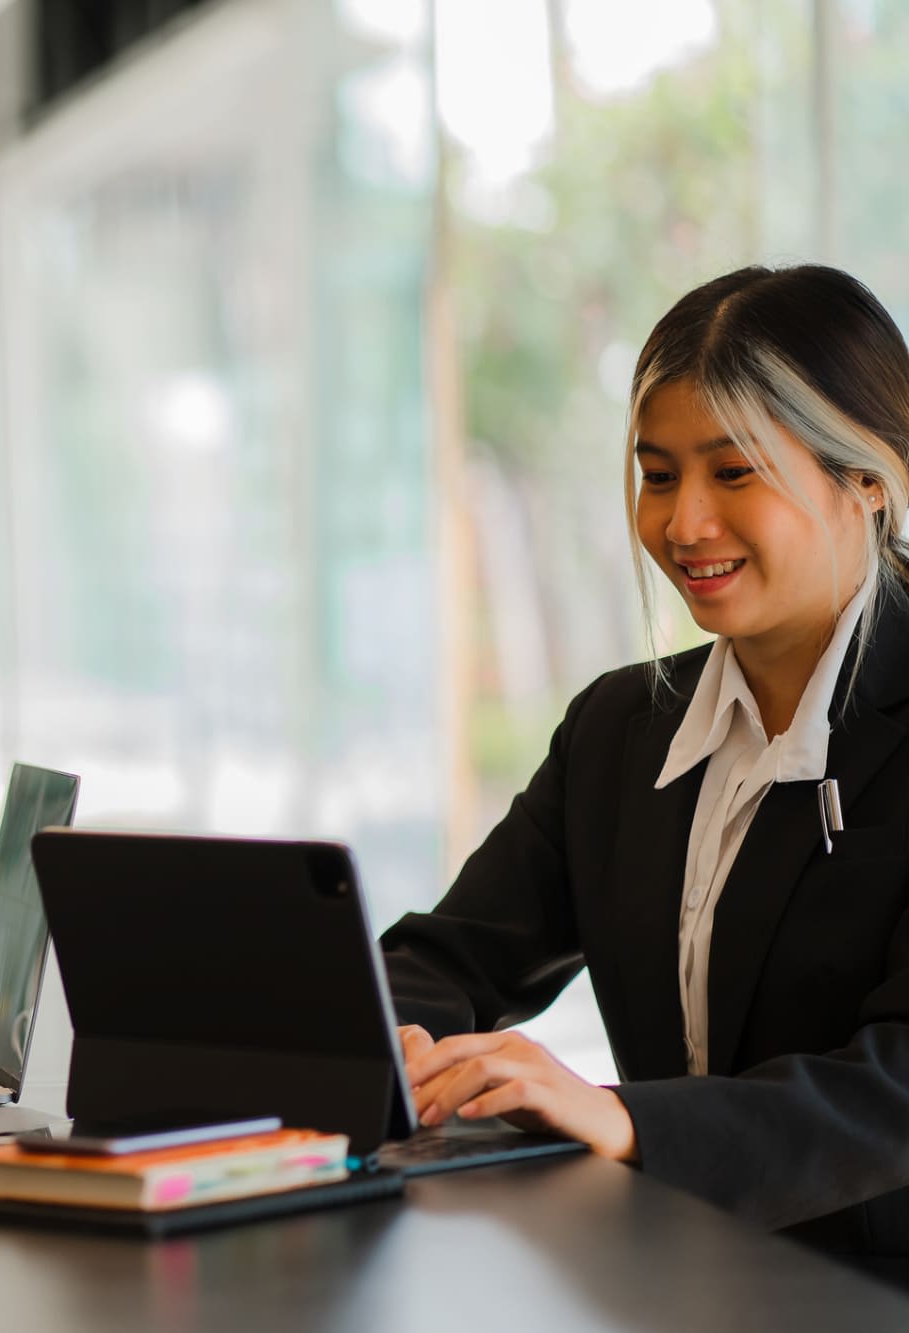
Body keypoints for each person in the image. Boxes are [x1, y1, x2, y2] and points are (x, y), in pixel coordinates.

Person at [382, 264, 909, 1281]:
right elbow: (453, 957)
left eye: (733, 471)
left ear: (867, 478)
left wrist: (618, 1118)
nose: (682, 525)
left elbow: (895, 1088)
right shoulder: (620, 727)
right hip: (676, 1281)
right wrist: (393, 1039)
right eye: (657, 475)